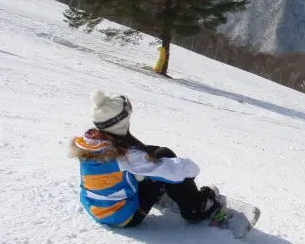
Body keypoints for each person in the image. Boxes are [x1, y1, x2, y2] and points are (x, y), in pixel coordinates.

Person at [70, 89, 225, 228]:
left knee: (153, 152)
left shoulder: (92, 143)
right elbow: (173, 171)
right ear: (120, 120)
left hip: (97, 209)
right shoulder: (127, 156)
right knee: (165, 155)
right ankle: (195, 208)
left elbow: (130, 160)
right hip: (125, 217)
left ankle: (150, 188)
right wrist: (192, 170)